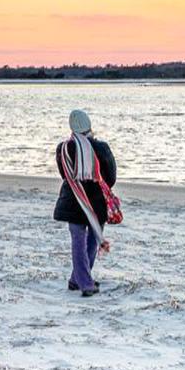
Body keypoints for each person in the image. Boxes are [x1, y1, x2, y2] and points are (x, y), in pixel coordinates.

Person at [53, 110, 117, 297]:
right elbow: (111, 176)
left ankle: (77, 279)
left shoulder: (63, 148)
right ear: (89, 126)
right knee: (91, 241)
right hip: (96, 202)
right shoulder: (101, 148)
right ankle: (85, 283)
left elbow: (65, 175)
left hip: (73, 199)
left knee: (78, 242)